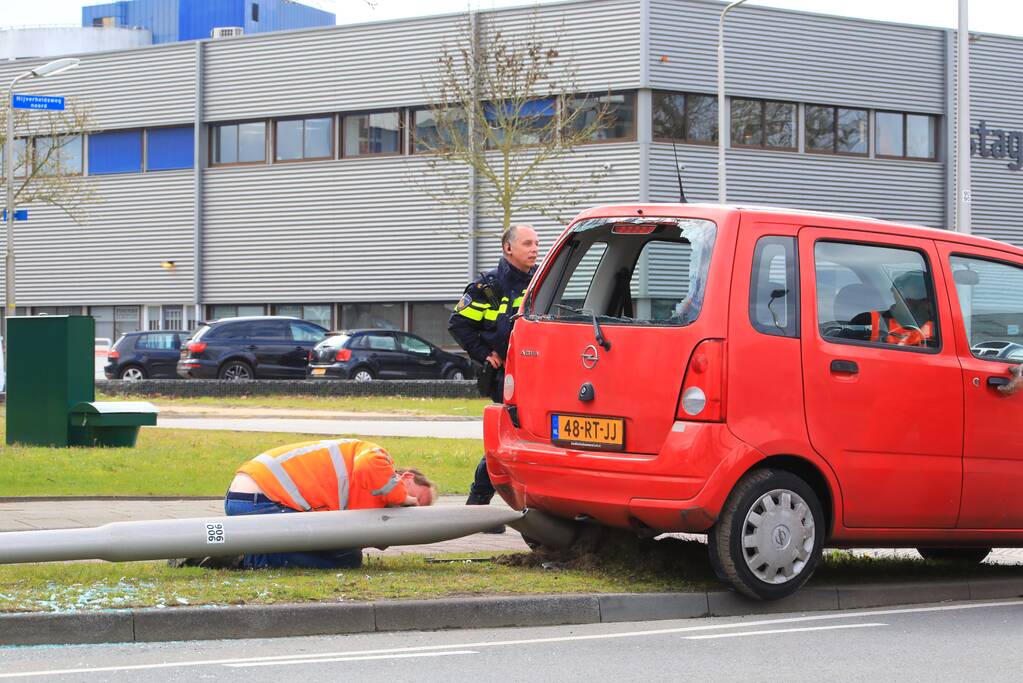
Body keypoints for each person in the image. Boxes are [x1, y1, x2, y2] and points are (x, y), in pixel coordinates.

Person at [172, 438, 436, 569]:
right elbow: (369, 468)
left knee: (347, 556)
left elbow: (342, 530)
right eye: (419, 499)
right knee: (343, 557)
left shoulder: (374, 491)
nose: (414, 507)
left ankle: (241, 550)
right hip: (263, 499)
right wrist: (403, 497)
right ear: (407, 477)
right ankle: (243, 555)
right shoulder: (377, 458)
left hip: (251, 497)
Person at [448, 224, 539, 532]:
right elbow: (459, 324)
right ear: (508, 248)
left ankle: (530, 507)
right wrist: (485, 353)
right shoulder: (488, 287)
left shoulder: (543, 281)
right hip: (506, 377)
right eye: (527, 243)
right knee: (508, 439)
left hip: (539, 374)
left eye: (536, 243)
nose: (534, 249)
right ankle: (477, 504)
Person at [860, 270, 936, 347]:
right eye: (919, 289)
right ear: (898, 291)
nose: (927, 294)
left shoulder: (940, 325)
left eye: (929, 291)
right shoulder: (868, 321)